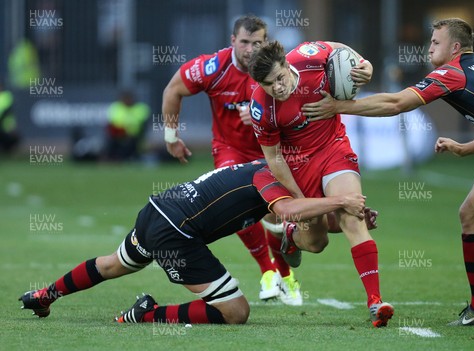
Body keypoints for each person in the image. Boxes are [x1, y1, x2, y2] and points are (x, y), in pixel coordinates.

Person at [302, 18, 474, 326]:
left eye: (436, 42)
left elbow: (397, 102)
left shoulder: (452, 72)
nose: (429, 48)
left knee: (470, 215)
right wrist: (464, 148)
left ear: (454, 47)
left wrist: (338, 107)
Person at [19, 159, 373, 325]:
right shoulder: (268, 177)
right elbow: (291, 211)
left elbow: (300, 220)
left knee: (113, 263)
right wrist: (342, 201)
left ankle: (45, 296)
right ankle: (147, 314)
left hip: (157, 212)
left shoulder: (259, 174)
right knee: (236, 312)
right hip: (176, 232)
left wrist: (350, 217)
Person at [248, 40, 394, 328]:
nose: (277, 88)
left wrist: (366, 66)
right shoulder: (262, 108)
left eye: (279, 78)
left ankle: (376, 302)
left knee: (353, 216)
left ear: (287, 64)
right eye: (268, 84)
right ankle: (291, 233)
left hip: (333, 148)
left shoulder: (309, 57)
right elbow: (275, 159)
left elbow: (346, 52)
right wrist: (303, 202)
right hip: (296, 165)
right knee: (316, 243)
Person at [161, 15, 300, 304]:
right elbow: (173, 89)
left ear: (267, 42)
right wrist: (171, 137)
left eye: (257, 43)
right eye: (245, 42)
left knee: (276, 216)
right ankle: (267, 272)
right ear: (232, 41)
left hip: (270, 152)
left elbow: (300, 105)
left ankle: (286, 277)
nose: (250, 49)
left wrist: (265, 113)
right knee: (234, 203)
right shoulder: (212, 68)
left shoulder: (282, 69)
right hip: (230, 150)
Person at [105, 91, 150, 161]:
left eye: (129, 99)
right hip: (118, 135)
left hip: (135, 136)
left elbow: (142, 125)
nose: (127, 101)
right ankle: (110, 159)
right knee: (111, 141)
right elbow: (112, 124)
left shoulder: (141, 108)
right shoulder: (115, 107)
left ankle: (132, 158)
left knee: (132, 142)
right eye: (125, 99)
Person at [0, 83, 20, 153]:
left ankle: (9, 150)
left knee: (12, 136)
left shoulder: (6, 95)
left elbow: (5, 110)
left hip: (6, 125)